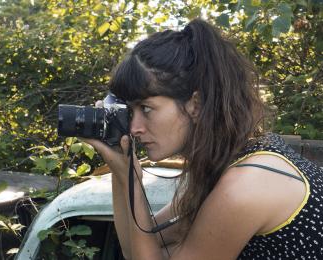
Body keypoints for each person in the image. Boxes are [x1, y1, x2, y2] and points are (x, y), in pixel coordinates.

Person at [84, 19, 323, 259]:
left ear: (195, 105)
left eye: (146, 109)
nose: (134, 128)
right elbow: (136, 249)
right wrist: (120, 166)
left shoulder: (243, 187)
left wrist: (131, 181)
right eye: (129, 111)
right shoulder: (226, 160)